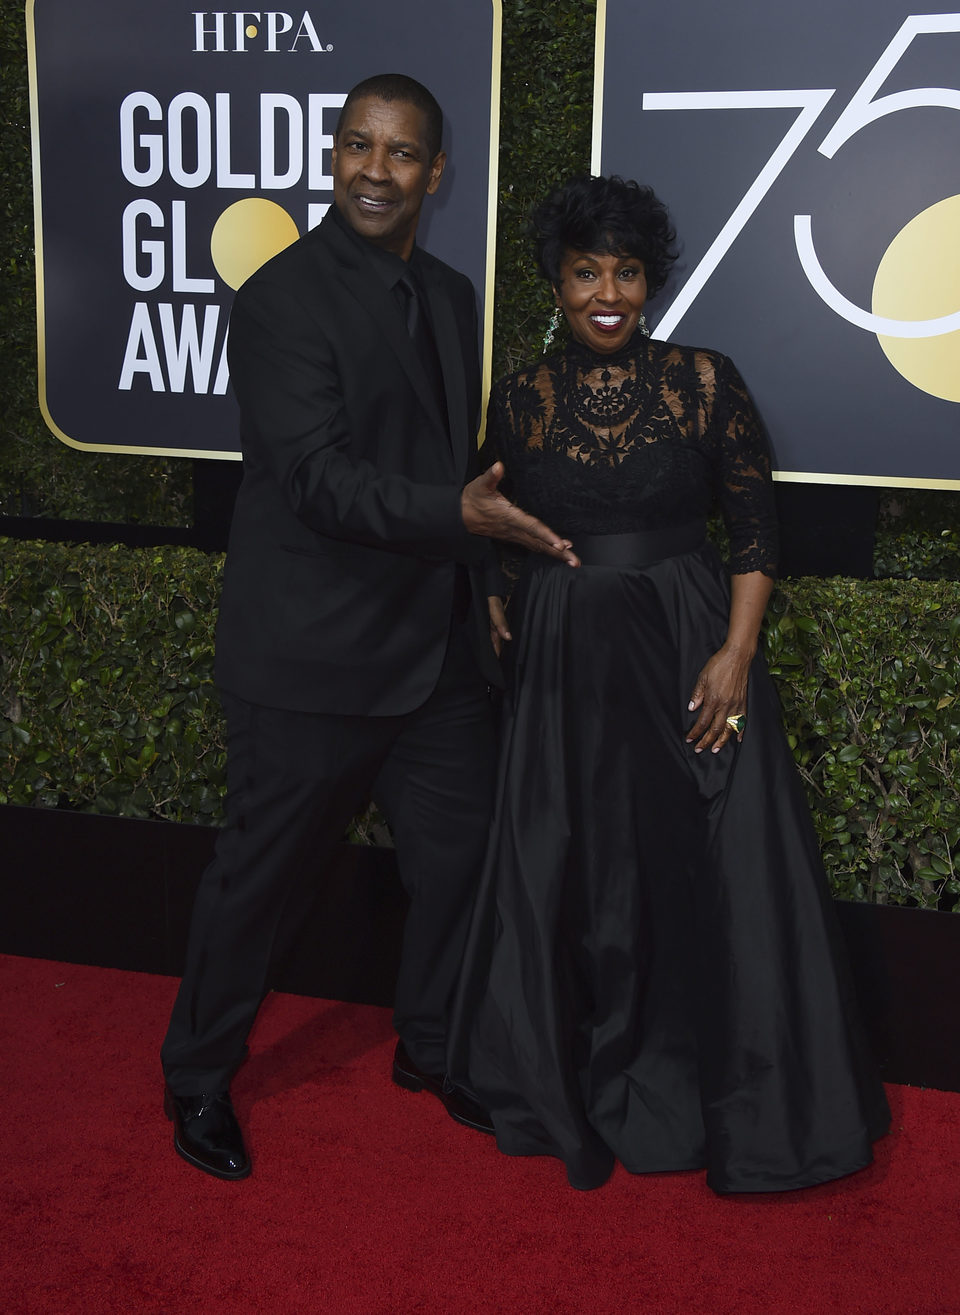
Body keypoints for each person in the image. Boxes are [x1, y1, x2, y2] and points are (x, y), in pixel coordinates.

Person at [160, 74, 579, 1181]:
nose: (373, 171)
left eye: (400, 154)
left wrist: (480, 561)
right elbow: (316, 482)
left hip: (434, 653)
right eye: (357, 146)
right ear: (332, 156)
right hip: (310, 652)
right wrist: (461, 516)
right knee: (259, 882)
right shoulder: (282, 299)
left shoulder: (446, 295)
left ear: (435, 174)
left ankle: (432, 1047)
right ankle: (197, 1075)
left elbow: (453, 463)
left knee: (461, 866)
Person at [449, 174, 890, 1194]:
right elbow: (484, 515)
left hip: (691, 637)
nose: (608, 292)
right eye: (585, 272)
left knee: (719, 860)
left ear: (651, 279)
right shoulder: (519, 397)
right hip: (571, 661)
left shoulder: (704, 379)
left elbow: (755, 531)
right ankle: (584, 1082)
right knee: (589, 867)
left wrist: (736, 654)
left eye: (627, 271)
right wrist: (501, 595)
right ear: (554, 284)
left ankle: (727, 1092)